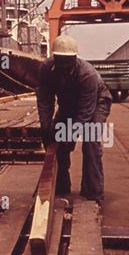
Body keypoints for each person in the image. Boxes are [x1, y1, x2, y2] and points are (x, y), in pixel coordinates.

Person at [36, 34, 112, 207]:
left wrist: (70, 136)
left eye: (67, 60)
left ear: (74, 58)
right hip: (68, 104)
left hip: (96, 103)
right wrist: (46, 127)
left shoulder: (88, 75)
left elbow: (85, 112)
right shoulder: (46, 69)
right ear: (54, 57)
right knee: (56, 141)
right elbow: (45, 99)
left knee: (90, 143)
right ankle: (62, 187)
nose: (63, 65)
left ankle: (94, 193)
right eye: (59, 60)